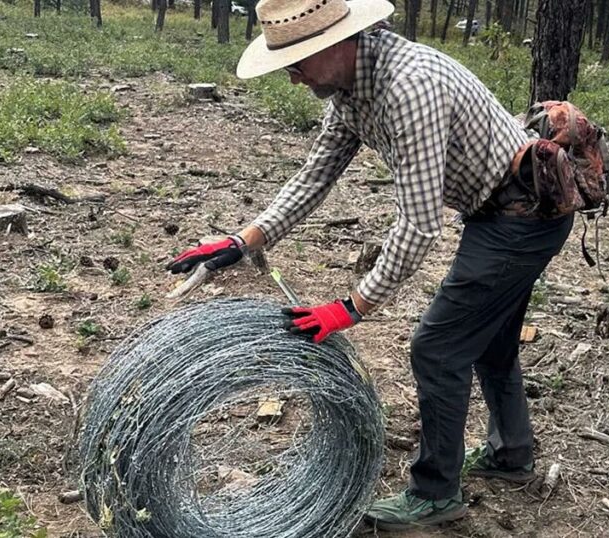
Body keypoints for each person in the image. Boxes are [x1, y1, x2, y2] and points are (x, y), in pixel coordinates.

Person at [166, 0, 574, 531]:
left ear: (335, 44)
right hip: (506, 211)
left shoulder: (408, 88)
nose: (293, 78)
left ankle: (435, 494)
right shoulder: (352, 91)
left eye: (297, 61)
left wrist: (352, 306)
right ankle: (511, 455)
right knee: (489, 340)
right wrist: (243, 240)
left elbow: (420, 222)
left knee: (438, 346)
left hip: (520, 218)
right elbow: (316, 176)